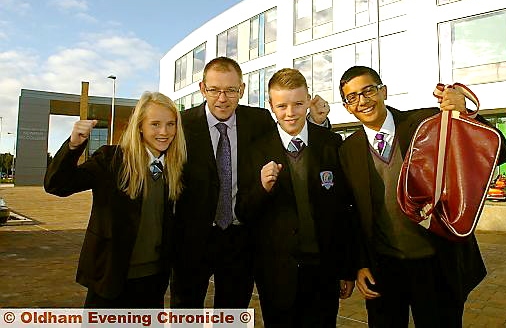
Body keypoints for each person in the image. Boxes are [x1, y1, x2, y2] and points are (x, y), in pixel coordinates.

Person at [337, 66, 506, 327]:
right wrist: (359, 264)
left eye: (368, 90)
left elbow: (500, 152)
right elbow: (353, 212)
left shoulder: (427, 123)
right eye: (352, 97)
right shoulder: (347, 150)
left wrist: (465, 113)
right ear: (347, 106)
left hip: (436, 264)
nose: (362, 101)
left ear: (383, 91)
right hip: (384, 270)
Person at [170, 57, 330, 309]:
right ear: (202, 89)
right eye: (214, 90)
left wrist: (316, 123)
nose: (222, 98)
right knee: (185, 312)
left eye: (231, 90)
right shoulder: (181, 125)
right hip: (192, 240)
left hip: (241, 240)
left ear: (242, 90)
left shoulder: (259, 120)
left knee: (232, 313)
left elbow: (290, 139)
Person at [235, 68, 355, 327]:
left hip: (324, 271)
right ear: (271, 106)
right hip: (276, 275)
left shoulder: (332, 144)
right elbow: (243, 211)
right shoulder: (255, 150)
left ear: (308, 100)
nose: (290, 113)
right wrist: (261, 188)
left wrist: (347, 268)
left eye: (298, 104)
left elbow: (344, 212)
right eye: (282, 106)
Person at [44, 91, 186, 308]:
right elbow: (57, 185)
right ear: (140, 126)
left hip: (153, 282)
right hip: (110, 280)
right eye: (155, 124)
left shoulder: (175, 168)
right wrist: (73, 146)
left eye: (170, 124)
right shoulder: (111, 160)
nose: (164, 132)